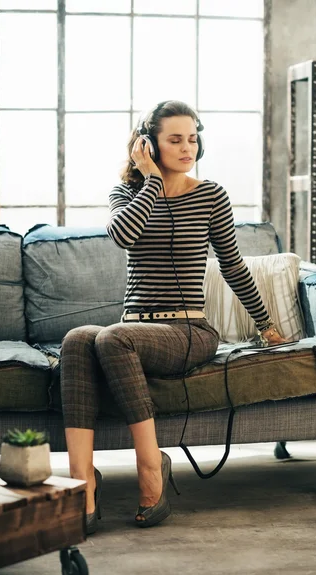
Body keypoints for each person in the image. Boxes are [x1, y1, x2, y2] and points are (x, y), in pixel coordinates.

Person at [61, 100, 285, 535]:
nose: (188, 148)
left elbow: (234, 266)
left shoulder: (210, 195)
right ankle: (82, 483)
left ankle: (151, 469)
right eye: (175, 139)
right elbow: (124, 235)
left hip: (187, 330)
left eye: (193, 138)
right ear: (149, 144)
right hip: (133, 328)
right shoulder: (125, 194)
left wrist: (266, 324)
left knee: (111, 339)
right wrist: (151, 181)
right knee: (75, 340)